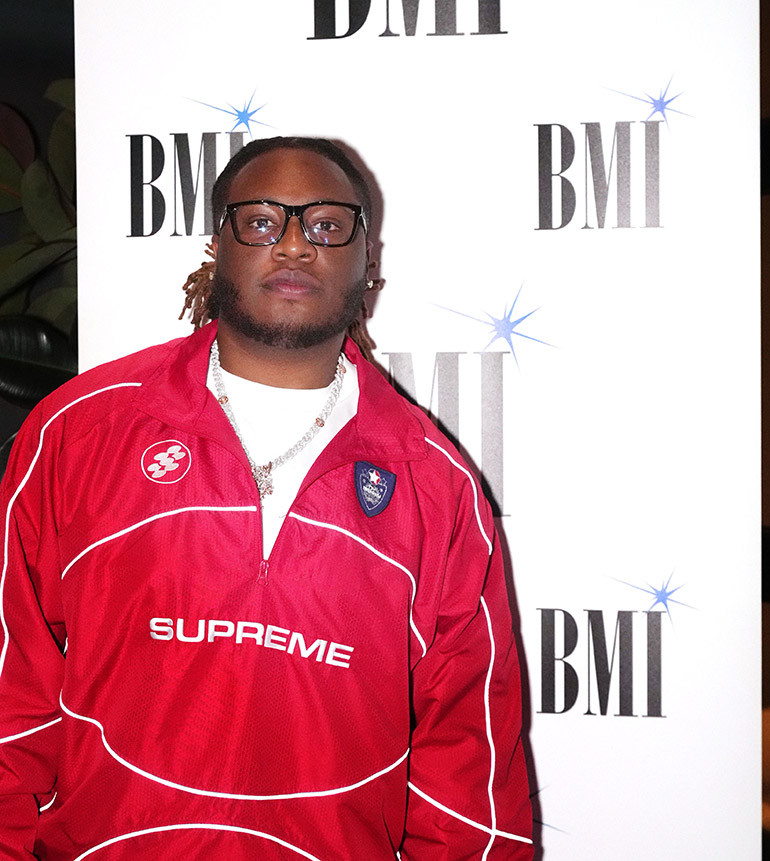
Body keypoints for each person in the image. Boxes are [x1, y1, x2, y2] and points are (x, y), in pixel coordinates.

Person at [0, 136, 534, 859]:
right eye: (259, 221)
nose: (293, 244)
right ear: (217, 246)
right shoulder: (78, 430)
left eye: (327, 225)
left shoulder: (434, 482)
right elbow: (12, 690)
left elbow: (467, 763)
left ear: (368, 261)